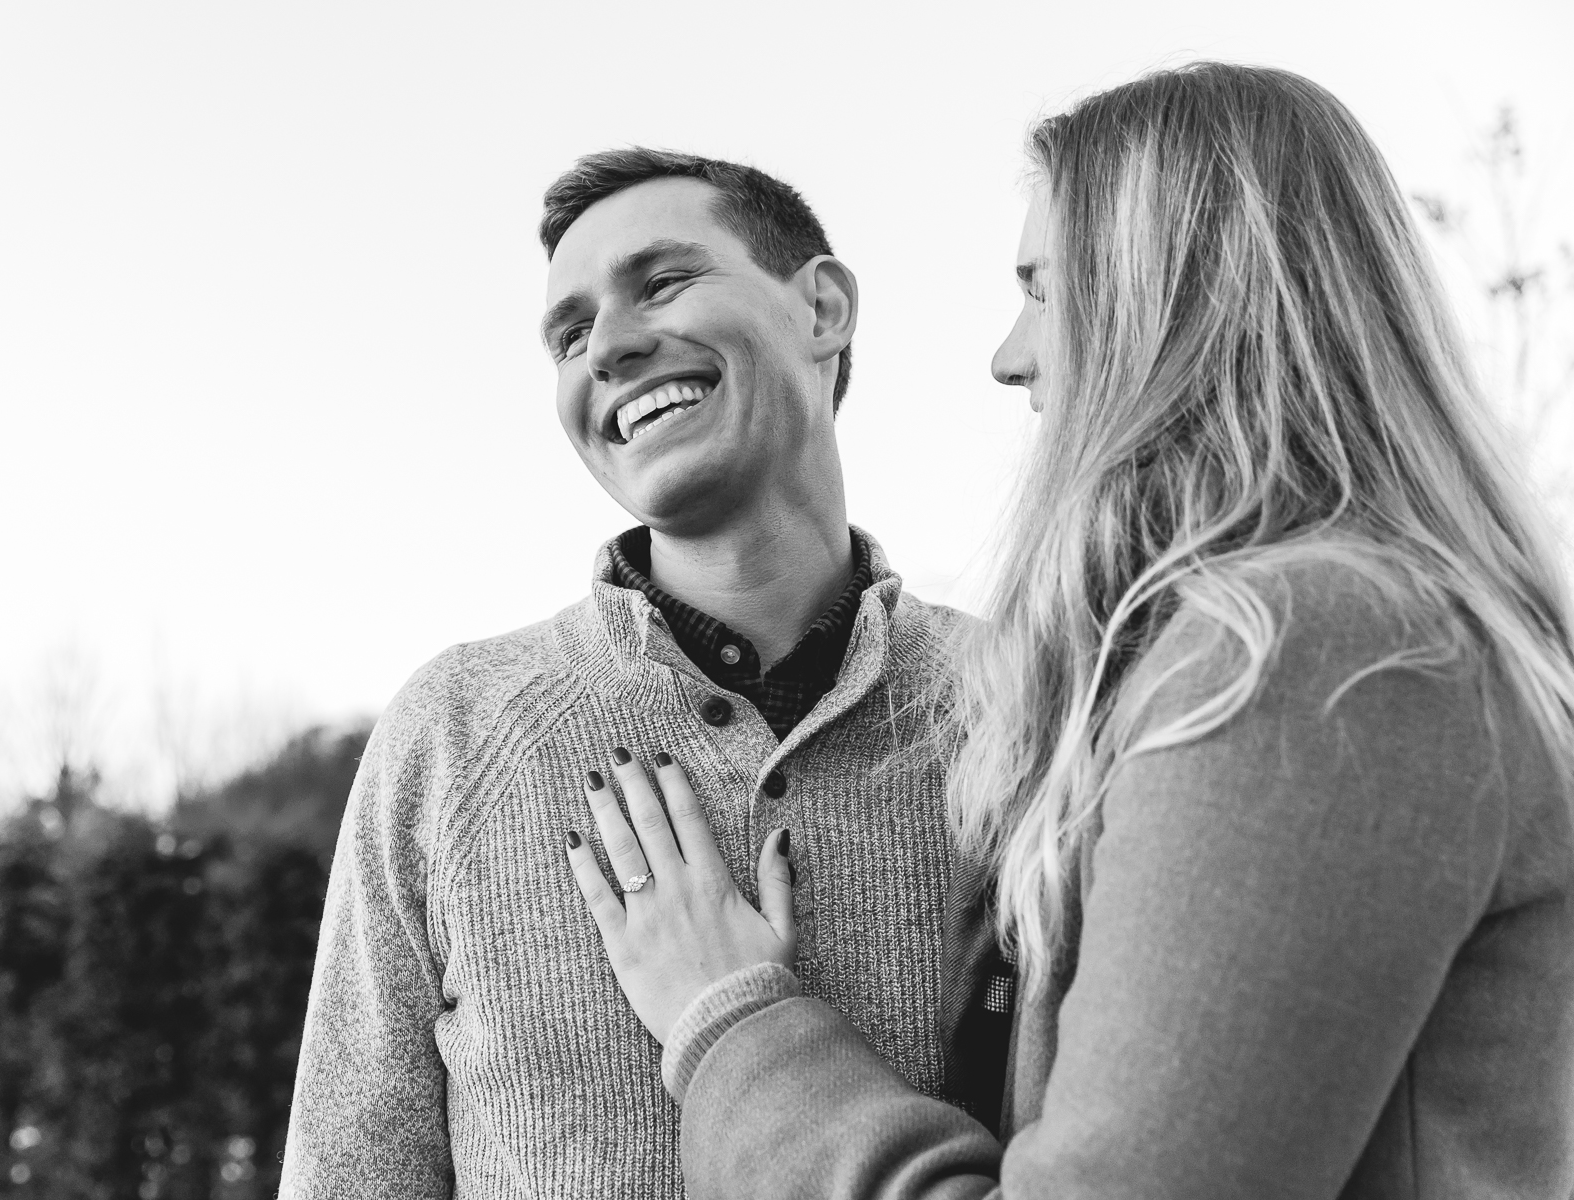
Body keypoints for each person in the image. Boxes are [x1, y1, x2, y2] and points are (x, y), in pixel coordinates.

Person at [562, 63, 1574, 1198]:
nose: (1009, 355)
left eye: (1042, 289)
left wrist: (732, 1022)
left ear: (1174, 298)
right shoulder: (1305, 640)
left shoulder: (1319, 653)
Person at [278, 149, 989, 1199]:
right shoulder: (452, 732)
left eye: (662, 282)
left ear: (824, 307)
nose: (608, 346)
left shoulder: (1039, 701)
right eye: (568, 335)